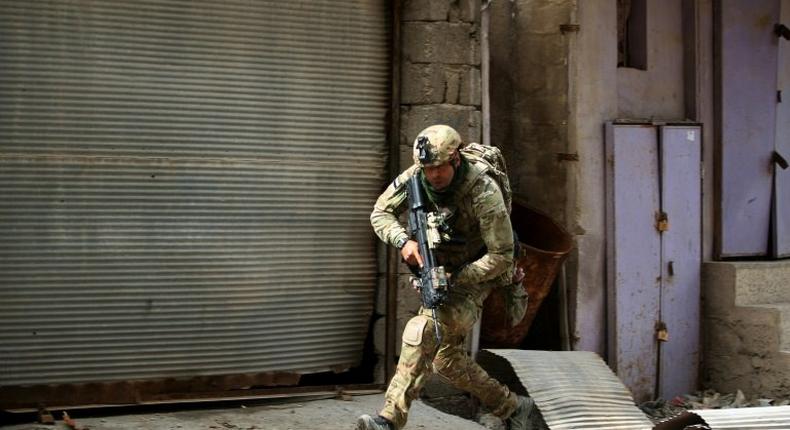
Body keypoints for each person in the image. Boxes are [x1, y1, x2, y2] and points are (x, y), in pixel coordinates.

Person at [357, 125, 534, 430]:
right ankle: (513, 407)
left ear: (455, 160)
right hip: (440, 269)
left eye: (439, 167)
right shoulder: (416, 177)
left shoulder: (483, 191)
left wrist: (455, 279)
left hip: (478, 272)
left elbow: (501, 256)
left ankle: (389, 419)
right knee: (446, 361)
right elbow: (380, 213)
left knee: (420, 330)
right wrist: (404, 241)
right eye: (428, 168)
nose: (433, 175)